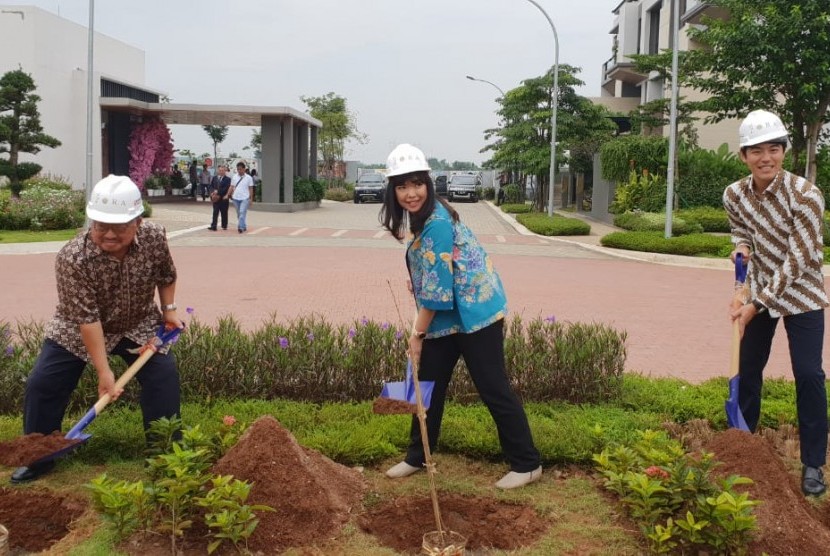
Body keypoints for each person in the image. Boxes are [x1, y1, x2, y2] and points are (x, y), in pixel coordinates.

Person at [379, 143, 542, 490]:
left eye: (417, 183)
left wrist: (415, 335)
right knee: (426, 387)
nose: (411, 193)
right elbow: (438, 277)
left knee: (493, 387)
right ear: (393, 191)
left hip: (475, 317)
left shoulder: (436, 221)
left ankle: (527, 464)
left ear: (428, 183)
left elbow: (438, 293)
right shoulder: (424, 218)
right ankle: (417, 456)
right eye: (402, 186)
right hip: (447, 317)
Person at [10, 175, 184, 484]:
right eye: (100, 225)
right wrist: (105, 373)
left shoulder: (155, 237)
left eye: (119, 227)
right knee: (44, 383)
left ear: (138, 221)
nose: (108, 235)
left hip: (138, 322)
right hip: (77, 327)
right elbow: (87, 320)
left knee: (163, 377)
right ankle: (37, 456)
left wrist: (169, 311)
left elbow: (166, 274)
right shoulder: (72, 257)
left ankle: (166, 454)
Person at [724, 109, 829, 497]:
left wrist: (756, 305)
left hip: (801, 294)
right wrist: (741, 249)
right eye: (756, 150)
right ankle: (744, 448)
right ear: (744, 155)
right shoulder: (734, 194)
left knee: (809, 375)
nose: (765, 157)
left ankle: (814, 463)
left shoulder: (806, 195)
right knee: (748, 372)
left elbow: (800, 260)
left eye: (773, 148)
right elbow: (740, 231)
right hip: (759, 290)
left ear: (784, 151)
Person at [229, 161, 254, 234]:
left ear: (244, 169)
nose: (239, 171)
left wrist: (251, 199)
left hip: (245, 198)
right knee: (239, 214)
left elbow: (251, 188)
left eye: (240, 169)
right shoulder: (234, 177)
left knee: (242, 212)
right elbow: (231, 186)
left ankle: (241, 227)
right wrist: (228, 194)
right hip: (236, 198)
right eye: (238, 169)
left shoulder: (249, 178)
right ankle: (244, 225)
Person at [208, 164, 232, 231]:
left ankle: (224, 225)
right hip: (215, 198)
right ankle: (214, 226)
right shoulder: (215, 178)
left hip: (223, 198)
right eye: (220, 170)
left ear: (225, 171)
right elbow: (211, 186)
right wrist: (212, 192)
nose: (221, 172)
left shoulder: (228, 179)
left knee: (224, 212)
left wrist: (218, 192)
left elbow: (226, 188)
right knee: (215, 212)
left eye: (223, 170)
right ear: (218, 171)